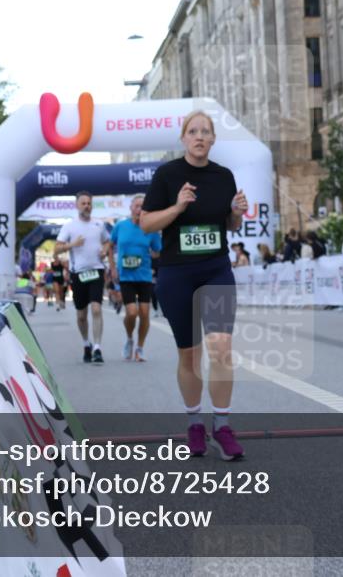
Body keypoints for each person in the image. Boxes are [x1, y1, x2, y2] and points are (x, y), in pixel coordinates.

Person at [140, 110, 248, 461]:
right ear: (184, 138)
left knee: (221, 349)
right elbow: (146, 224)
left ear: (213, 139)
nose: (199, 136)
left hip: (215, 269)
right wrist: (178, 205)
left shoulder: (223, 176)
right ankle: (194, 424)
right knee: (190, 353)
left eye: (206, 131)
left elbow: (229, 226)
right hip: (177, 273)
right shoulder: (167, 175)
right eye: (193, 131)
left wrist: (236, 212)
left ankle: (223, 426)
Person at [55, 191, 111, 365]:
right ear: (77, 205)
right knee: (81, 314)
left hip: (96, 271)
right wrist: (72, 244)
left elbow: (108, 241)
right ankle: (86, 343)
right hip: (78, 273)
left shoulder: (99, 224)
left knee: (96, 308)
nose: (87, 206)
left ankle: (97, 348)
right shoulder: (69, 226)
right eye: (83, 203)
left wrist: (104, 250)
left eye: (89, 203)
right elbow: (56, 250)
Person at [109, 194, 162, 363]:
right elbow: (110, 246)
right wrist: (112, 268)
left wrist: (157, 247)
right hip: (125, 275)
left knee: (145, 313)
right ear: (131, 207)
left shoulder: (151, 229)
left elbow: (157, 251)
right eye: (137, 205)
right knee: (132, 313)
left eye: (143, 206)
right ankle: (129, 338)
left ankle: (140, 347)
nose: (140, 209)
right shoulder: (121, 226)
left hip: (145, 275)